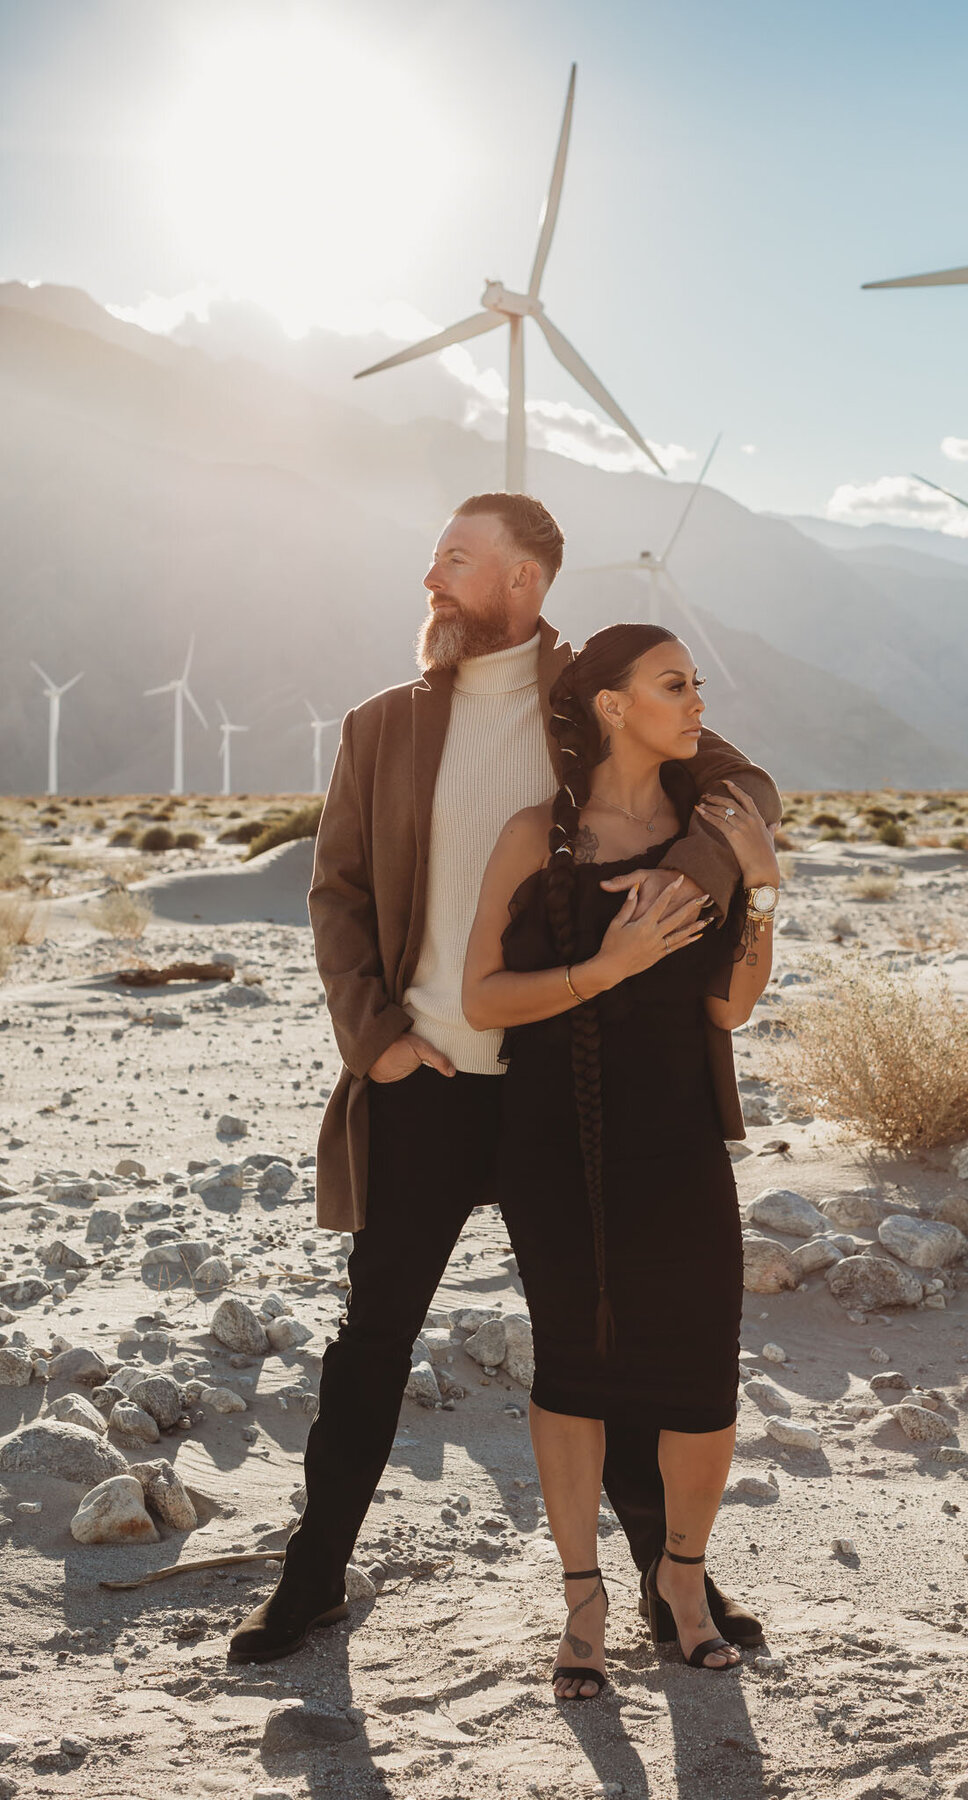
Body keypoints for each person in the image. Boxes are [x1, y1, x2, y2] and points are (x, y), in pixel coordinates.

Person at [229, 494, 780, 1666]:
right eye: (434, 557)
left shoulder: (600, 696)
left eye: (461, 562)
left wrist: (665, 892)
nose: (433, 578)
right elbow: (336, 895)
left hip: (567, 1082)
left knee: (599, 1342)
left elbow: (748, 798)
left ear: (526, 582)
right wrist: (373, 1036)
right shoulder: (381, 724)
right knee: (372, 1335)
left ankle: (669, 1590)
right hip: (424, 1077)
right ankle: (311, 1580)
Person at [462, 623, 781, 1698]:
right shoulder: (532, 836)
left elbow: (729, 1004)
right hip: (555, 1143)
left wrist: (766, 892)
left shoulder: (710, 835)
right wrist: (607, 967)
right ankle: (585, 1602)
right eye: (674, 684)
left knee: (701, 1372)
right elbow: (483, 999)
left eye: (697, 682)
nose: (699, 702)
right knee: (574, 1372)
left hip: (679, 1137)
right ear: (610, 704)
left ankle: (681, 1587)